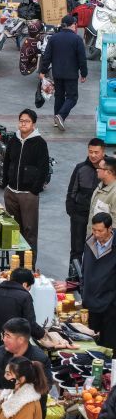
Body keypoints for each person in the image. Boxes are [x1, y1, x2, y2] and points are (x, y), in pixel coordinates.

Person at [3, 109, 50, 258]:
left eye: (27, 121)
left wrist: (34, 190)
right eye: (21, 121)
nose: (23, 124)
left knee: (29, 232)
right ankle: (17, 263)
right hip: (11, 193)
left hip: (28, 196)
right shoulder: (13, 140)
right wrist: (6, 183)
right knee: (15, 231)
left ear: (33, 124)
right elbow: (6, 161)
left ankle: (29, 267)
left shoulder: (40, 143)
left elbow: (43, 169)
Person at [0, 317, 51, 418]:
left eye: (8, 336)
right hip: (1, 412)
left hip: (27, 417)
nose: (3, 339)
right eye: (3, 334)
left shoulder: (40, 358)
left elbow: (44, 388)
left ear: (20, 340)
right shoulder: (1, 351)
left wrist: (14, 398)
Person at [38, 14, 88, 129]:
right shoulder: (77, 39)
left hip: (57, 74)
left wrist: (43, 71)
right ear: (72, 25)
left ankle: (56, 120)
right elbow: (82, 59)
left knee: (59, 96)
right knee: (72, 97)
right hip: (71, 75)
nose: (76, 26)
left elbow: (47, 56)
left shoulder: (54, 38)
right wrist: (84, 73)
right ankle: (61, 115)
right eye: (75, 24)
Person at [0, 266, 40, 360]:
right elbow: (30, 325)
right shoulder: (25, 296)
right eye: (30, 287)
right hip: (11, 345)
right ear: (25, 284)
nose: (29, 290)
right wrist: (43, 335)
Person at [67, 139, 107, 269]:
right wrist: (72, 210)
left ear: (103, 152)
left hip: (101, 219)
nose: (93, 155)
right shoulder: (80, 168)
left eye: (96, 152)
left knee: (99, 251)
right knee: (76, 250)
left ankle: (92, 282)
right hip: (80, 215)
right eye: (91, 152)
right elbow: (72, 190)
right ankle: (73, 280)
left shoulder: (110, 169)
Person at [81, 212, 116, 348]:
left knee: (109, 346)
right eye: (94, 230)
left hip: (110, 308)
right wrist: (84, 290)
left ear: (109, 229)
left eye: (100, 231)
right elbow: (84, 270)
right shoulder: (90, 243)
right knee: (91, 344)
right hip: (90, 303)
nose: (96, 234)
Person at [89, 156, 116, 228]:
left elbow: (114, 224)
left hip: (103, 238)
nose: (97, 170)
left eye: (99, 168)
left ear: (108, 172)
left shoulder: (114, 194)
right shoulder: (100, 185)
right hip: (93, 235)